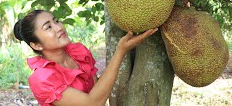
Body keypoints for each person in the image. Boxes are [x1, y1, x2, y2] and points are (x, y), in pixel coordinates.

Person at [13, 10, 158, 106]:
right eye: (48, 27)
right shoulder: (43, 79)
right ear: (37, 45)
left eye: (56, 21)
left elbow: (97, 90)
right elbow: (93, 103)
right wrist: (121, 51)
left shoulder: (78, 52)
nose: (59, 27)